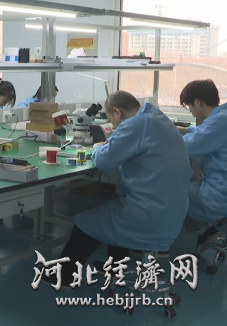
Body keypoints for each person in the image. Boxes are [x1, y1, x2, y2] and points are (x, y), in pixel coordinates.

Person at [56, 91, 191, 282]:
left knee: (85, 223)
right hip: (173, 211)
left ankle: (63, 277)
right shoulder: (158, 119)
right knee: (115, 211)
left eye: (111, 119)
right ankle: (115, 269)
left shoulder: (135, 125)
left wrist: (97, 148)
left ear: (117, 112)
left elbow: (104, 161)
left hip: (148, 213)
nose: (113, 125)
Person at [177, 79, 227, 249]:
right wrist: (186, 130)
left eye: (189, 106)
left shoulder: (219, 122)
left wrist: (163, 138)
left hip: (219, 192)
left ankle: (162, 246)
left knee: (169, 191)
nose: (190, 111)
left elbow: (188, 146)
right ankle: (208, 229)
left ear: (198, 102)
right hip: (220, 184)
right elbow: (205, 132)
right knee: (186, 181)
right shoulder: (222, 115)